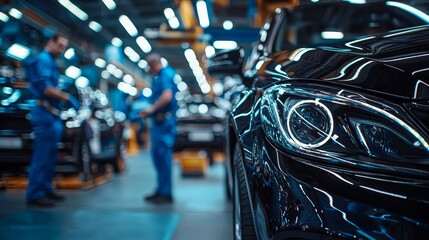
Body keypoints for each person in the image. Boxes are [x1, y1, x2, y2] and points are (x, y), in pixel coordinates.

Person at [26, 33, 80, 207]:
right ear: (50, 42)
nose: (62, 49)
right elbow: (47, 89)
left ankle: (46, 188)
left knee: (50, 156)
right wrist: (66, 97)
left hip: (53, 115)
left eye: (64, 46)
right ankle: (35, 194)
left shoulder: (50, 61)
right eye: (61, 45)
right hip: (44, 114)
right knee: (42, 156)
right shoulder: (43, 60)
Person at [139, 53, 178, 204]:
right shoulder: (162, 75)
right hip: (160, 122)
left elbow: (167, 96)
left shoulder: (165, 75)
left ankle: (166, 193)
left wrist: (151, 109)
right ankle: (161, 189)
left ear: (152, 65)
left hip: (164, 123)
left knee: (163, 157)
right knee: (158, 157)